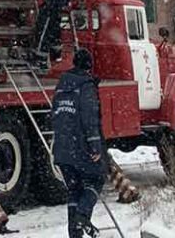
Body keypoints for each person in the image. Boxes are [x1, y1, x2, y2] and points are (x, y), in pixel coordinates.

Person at [51, 47, 107, 238]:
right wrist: (95, 146)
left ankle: (74, 232)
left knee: (74, 188)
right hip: (80, 147)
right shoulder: (86, 85)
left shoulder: (61, 85)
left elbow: (55, 115)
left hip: (62, 148)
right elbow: (90, 118)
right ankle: (82, 215)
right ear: (88, 66)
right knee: (96, 178)